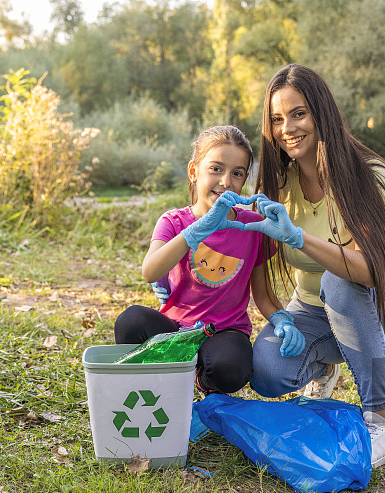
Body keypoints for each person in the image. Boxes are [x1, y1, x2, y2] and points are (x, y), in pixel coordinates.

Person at [241, 64, 385, 468]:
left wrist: (300, 238)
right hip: (310, 311)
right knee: (268, 373)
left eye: (298, 113)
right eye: (276, 119)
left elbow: (374, 270)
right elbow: (256, 271)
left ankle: (382, 421)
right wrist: (281, 320)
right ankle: (323, 366)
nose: (287, 127)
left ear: (321, 113)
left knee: (339, 281)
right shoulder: (277, 186)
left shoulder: (369, 176)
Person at [114, 125, 305, 395]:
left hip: (225, 331)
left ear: (244, 180)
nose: (226, 181)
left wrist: (283, 320)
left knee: (233, 367)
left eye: (237, 173)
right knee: (131, 321)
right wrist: (196, 230)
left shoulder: (254, 228)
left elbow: (262, 295)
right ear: (194, 171)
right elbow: (149, 270)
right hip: (175, 330)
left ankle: (201, 382)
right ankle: (158, 385)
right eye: (216, 169)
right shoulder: (174, 221)